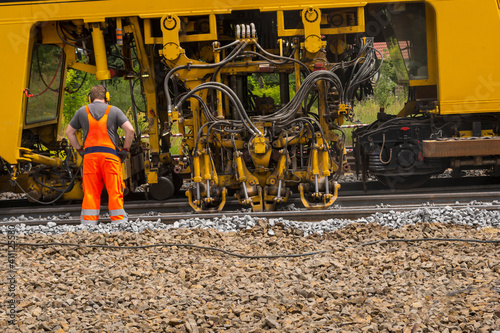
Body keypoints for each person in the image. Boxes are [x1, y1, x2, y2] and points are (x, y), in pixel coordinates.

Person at [66, 85, 135, 225]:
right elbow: (130, 131)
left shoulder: (82, 112)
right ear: (107, 97)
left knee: (90, 192)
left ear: (90, 98)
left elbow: (69, 132)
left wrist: (80, 150)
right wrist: (125, 150)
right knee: (115, 190)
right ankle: (118, 222)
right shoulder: (114, 111)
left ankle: (89, 224)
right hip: (110, 157)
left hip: (90, 158)